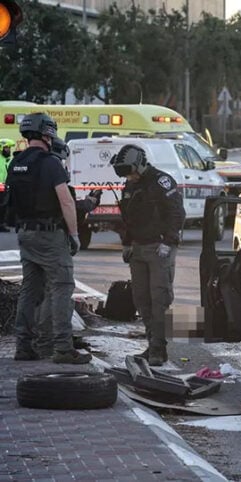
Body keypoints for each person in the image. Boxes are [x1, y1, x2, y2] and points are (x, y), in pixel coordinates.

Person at [4, 113, 90, 364]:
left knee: (29, 290)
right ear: (47, 133)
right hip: (49, 234)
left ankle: (24, 346)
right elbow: (65, 201)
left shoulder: (16, 162)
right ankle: (63, 348)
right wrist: (74, 235)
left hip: (24, 234)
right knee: (62, 286)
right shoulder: (50, 163)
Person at [111, 144, 185, 366]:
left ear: (140, 165)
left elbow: (177, 213)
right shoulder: (130, 184)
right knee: (141, 300)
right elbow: (127, 217)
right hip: (138, 248)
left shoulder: (161, 181)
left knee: (159, 299)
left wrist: (169, 241)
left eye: (130, 171)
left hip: (159, 248)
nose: (128, 177)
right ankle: (152, 342)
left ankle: (158, 349)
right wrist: (126, 243)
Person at [32, 137, 102, 358]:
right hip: (54, 240)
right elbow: (70, 207)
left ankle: (41, 342)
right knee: (60, 289)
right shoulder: (56, 177)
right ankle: (60, 346)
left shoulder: (33, 175)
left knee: (44, 292)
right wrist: (90, 205)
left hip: (32, 239)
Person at [0, 138, 15, 232]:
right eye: (6, 148)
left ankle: (2, 224)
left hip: (4, 187)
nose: (8, 150)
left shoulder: (8, 160)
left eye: (9, 148)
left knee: (3, 207)